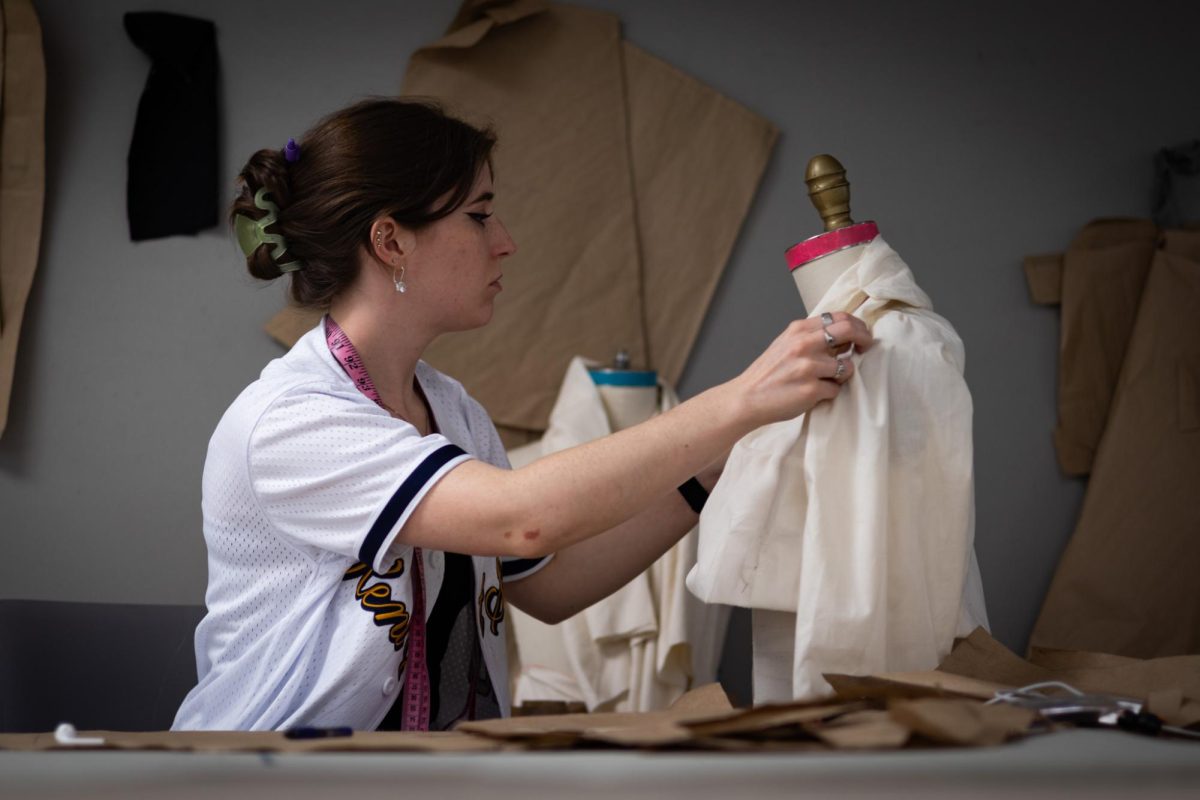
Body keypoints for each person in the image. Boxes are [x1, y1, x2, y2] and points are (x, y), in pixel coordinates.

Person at [171, 97, 872, 732]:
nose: (504, 239)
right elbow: (522, 516)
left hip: (412, 776)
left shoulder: (451, 410)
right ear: (390, 242)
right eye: (478, 215)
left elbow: (549, 584)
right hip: (269, 778)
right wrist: (740, 398)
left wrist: (716, 466)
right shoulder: (292, 419)